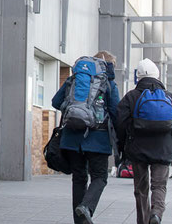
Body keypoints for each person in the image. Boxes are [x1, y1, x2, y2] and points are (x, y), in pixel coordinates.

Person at [52, 51, 120, 224]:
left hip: (72, 138)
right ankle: (87, 207)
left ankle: (79, 220)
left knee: (79, 178)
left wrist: (75, 113)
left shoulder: (74, 79)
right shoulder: (109, 82)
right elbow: (115, 112)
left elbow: (55, 101)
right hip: (97, 139)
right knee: (100, 177)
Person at [116, 58, 172, 224]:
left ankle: (143, 220)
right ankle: (156, 214)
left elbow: (120, 123)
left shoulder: (131, 96)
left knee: (141, 188)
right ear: (158, 75)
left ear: (137, 77)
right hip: (163, 148)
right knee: (159, 185)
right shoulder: (171, 97)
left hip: (138, 148)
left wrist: (122, 147)